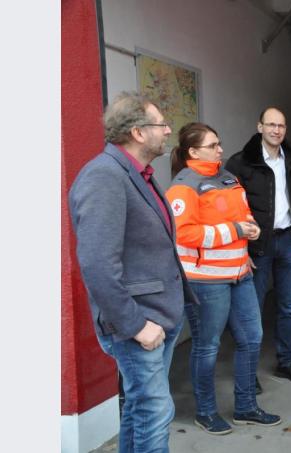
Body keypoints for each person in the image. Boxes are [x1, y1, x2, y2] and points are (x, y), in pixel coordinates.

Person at [69, 92, 196, 453]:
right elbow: (96, 263)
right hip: (137, 322)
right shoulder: (104, 177)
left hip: (159, 316)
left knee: (142, 408)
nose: (168, 131)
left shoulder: (140, 174)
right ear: (138, 132)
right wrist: (136, 325)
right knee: (155, 410)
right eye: (161, 125)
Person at [166, 123, 282, 435]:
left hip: (240, 273)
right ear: (193, 151)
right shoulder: (184, 186)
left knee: (252, 338)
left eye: (219, 143)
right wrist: (235, 231)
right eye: (213, 145)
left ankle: (245, 407)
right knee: (207, 346)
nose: (220, 150)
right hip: (206, 280)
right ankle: (205, 412)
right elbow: (184, 233)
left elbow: (240, 215)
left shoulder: (227, 177)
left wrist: (251, 228)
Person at [225, 107, 291, 387]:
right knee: (252, 308)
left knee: (287, 305)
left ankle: (285, 363)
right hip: (257, 246)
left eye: (281, 125)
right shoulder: (241, 163)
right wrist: (241, 247)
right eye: (271, 125)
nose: (277, 130)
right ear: (260, 127)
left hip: (288, 240)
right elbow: (227, 206)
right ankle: (248, 371)